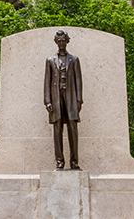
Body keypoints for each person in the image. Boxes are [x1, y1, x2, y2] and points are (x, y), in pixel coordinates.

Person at [44, 30, 83, 170]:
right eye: (59, 41)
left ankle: (74, 162)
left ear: (67, 41)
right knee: (57, 128)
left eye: (63, 41)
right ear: (56, 42)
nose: (61, 43)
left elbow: (78, 80)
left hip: (71, 96)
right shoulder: (50, 60)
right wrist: (47, 101)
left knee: (73, 128)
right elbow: (47, 82)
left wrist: (79, 100)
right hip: (56, 97)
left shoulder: (74, 59)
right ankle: (59, 162)